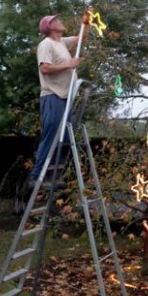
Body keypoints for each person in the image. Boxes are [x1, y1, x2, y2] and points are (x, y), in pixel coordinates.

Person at [30, 12, 89, 181]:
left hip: (66, 96)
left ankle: (55, 174)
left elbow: (81, 38)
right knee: (52, 133)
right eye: (57, 20)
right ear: (50, 27)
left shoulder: (61, 42)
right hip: (53, 95)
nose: (61, 21)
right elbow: (45, 69)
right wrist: (69, 64)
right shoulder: (46, 44)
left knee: (65, 136)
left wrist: (87, 22)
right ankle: (37, 174)